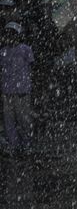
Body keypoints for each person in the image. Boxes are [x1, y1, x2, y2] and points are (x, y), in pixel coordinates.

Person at [1, 21, 34, 156]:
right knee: (9, 120)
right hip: (7, 92)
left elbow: (31, 69)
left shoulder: (25, 49)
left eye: (12, 34)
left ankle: (27, 145)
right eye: (7, 33)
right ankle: (14, 145)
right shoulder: (2, 52)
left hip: (22, 92)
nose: (10, 37)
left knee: (24, 120)